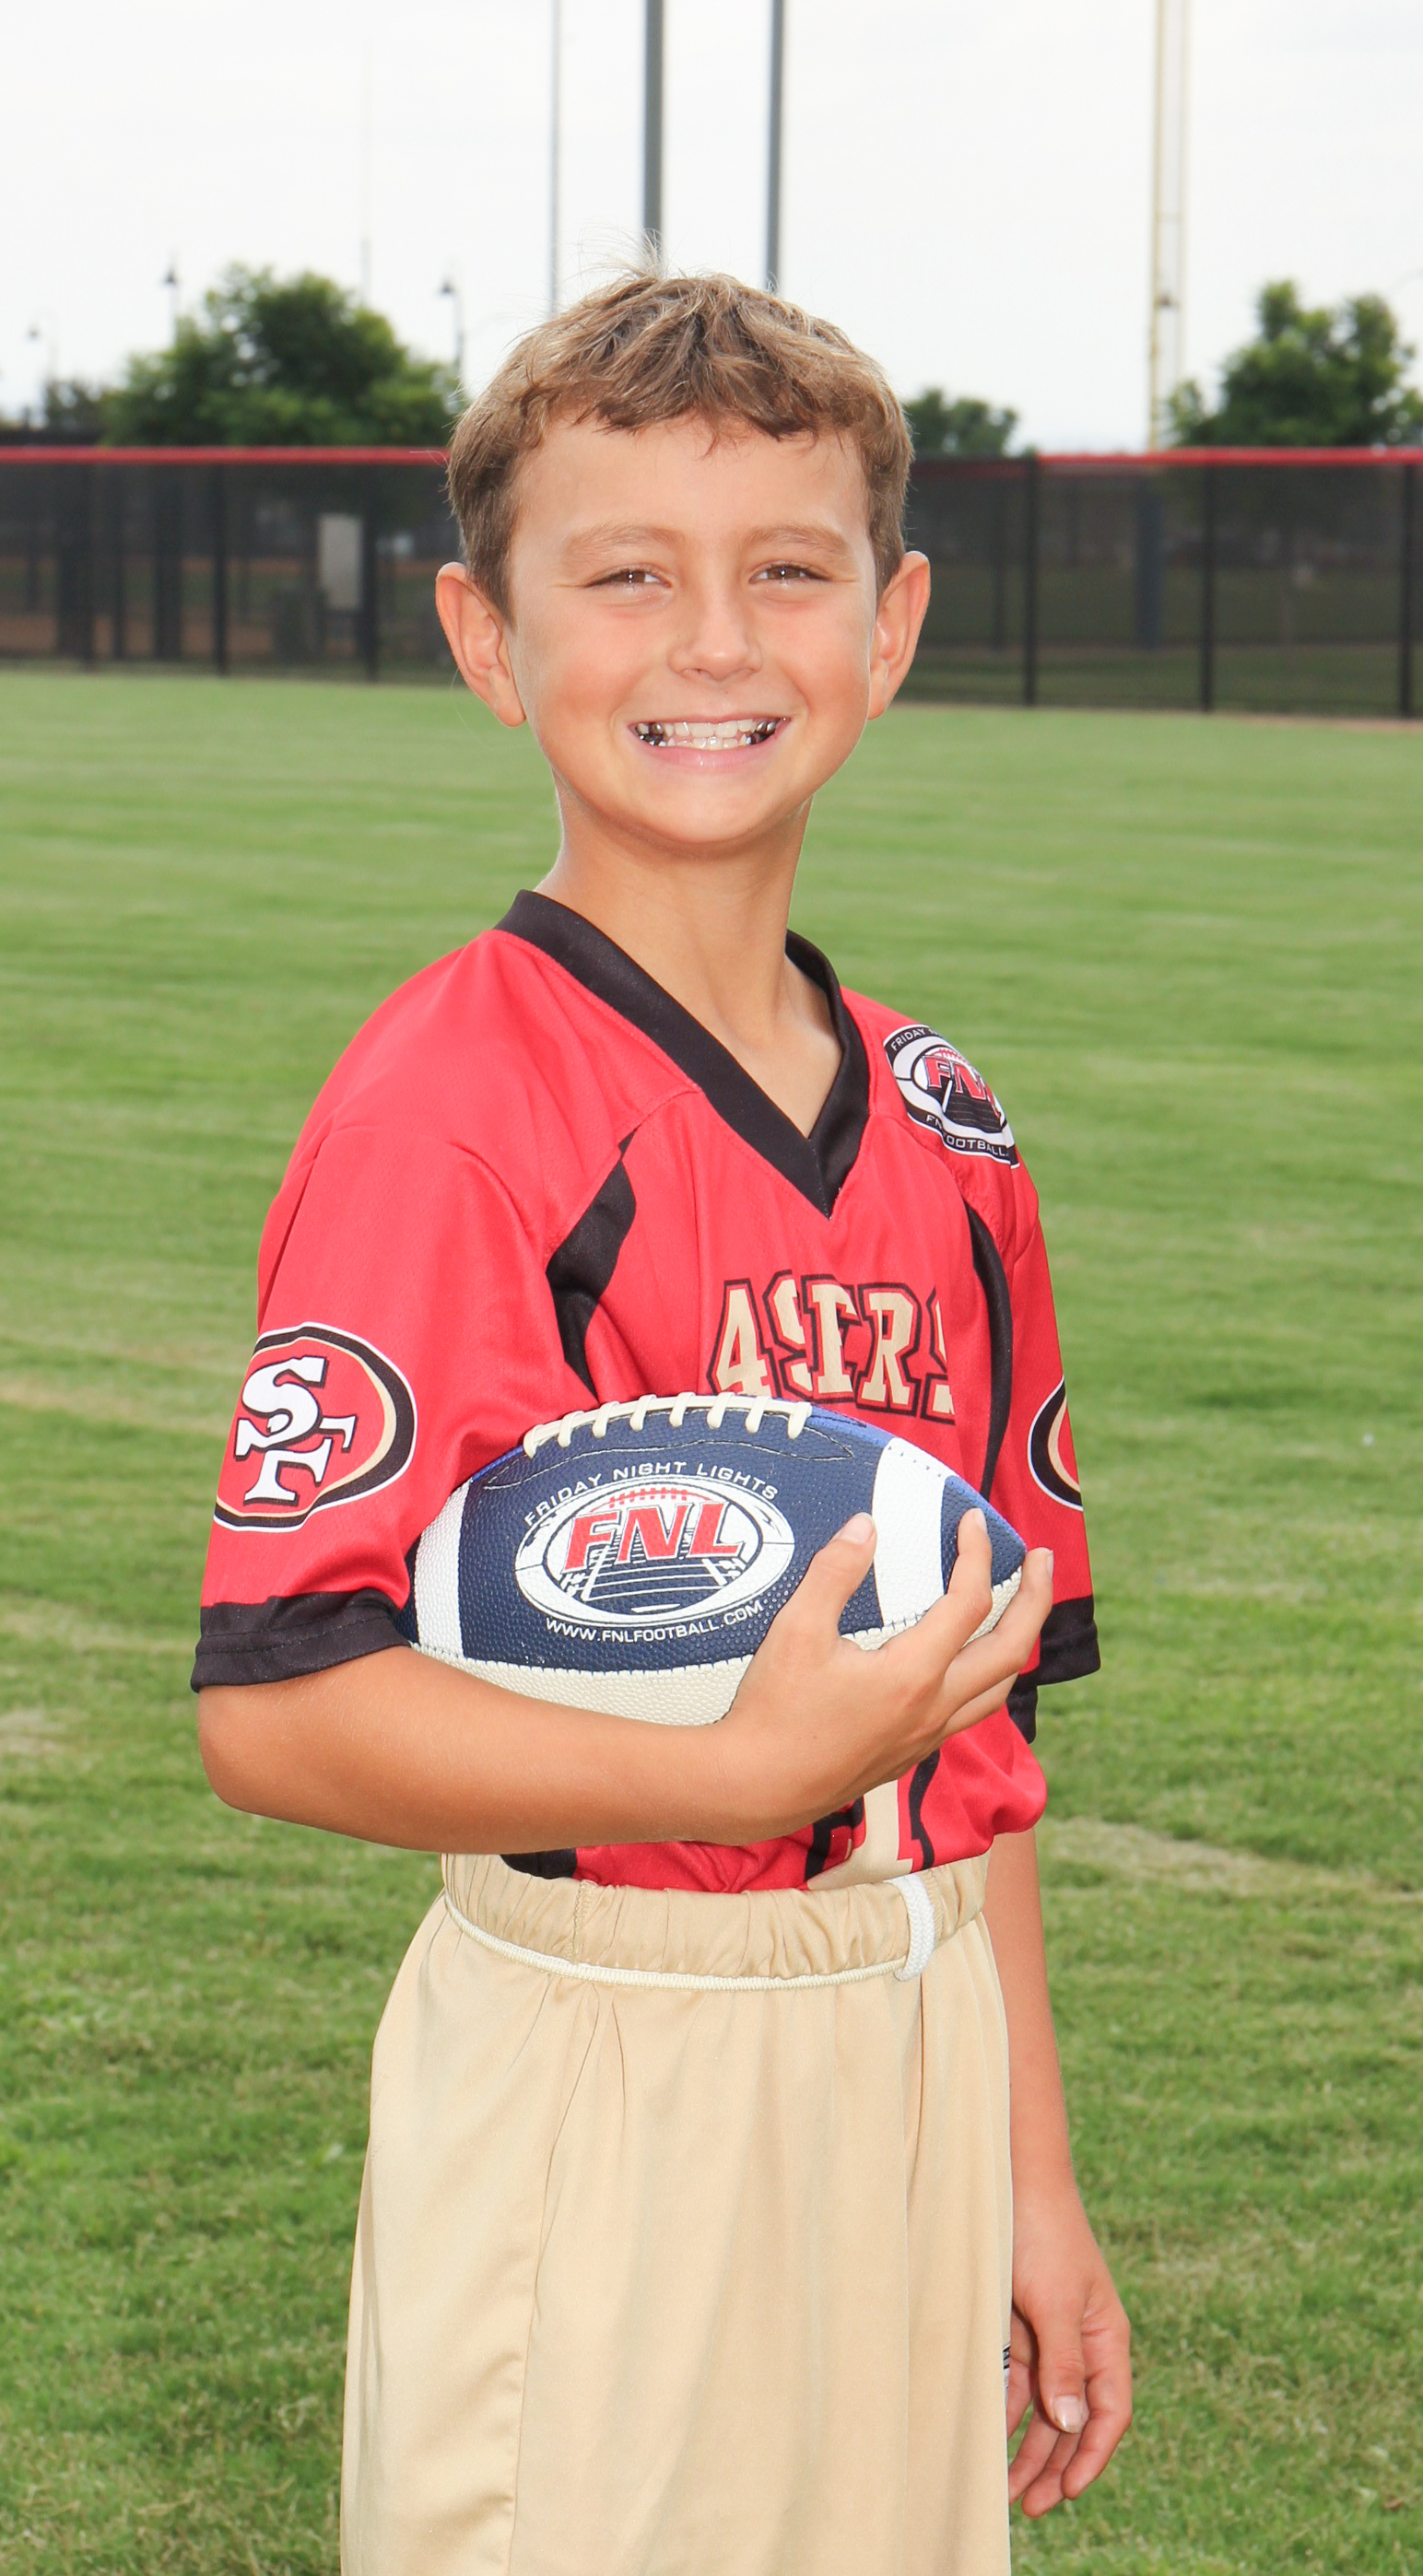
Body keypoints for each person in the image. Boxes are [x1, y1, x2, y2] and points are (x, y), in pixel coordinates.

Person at [194, 269, 1131, 2576]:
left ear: (889, 625)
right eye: (625, 574)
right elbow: (278, 1707)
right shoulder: (450, 1109)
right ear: (487, 636)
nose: (713, 641)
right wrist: (732, 1769)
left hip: (911, 2025)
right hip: (607, 2040)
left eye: (787, 569)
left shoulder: (947, 1121)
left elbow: (981, 1716)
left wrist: (1029, 2166)